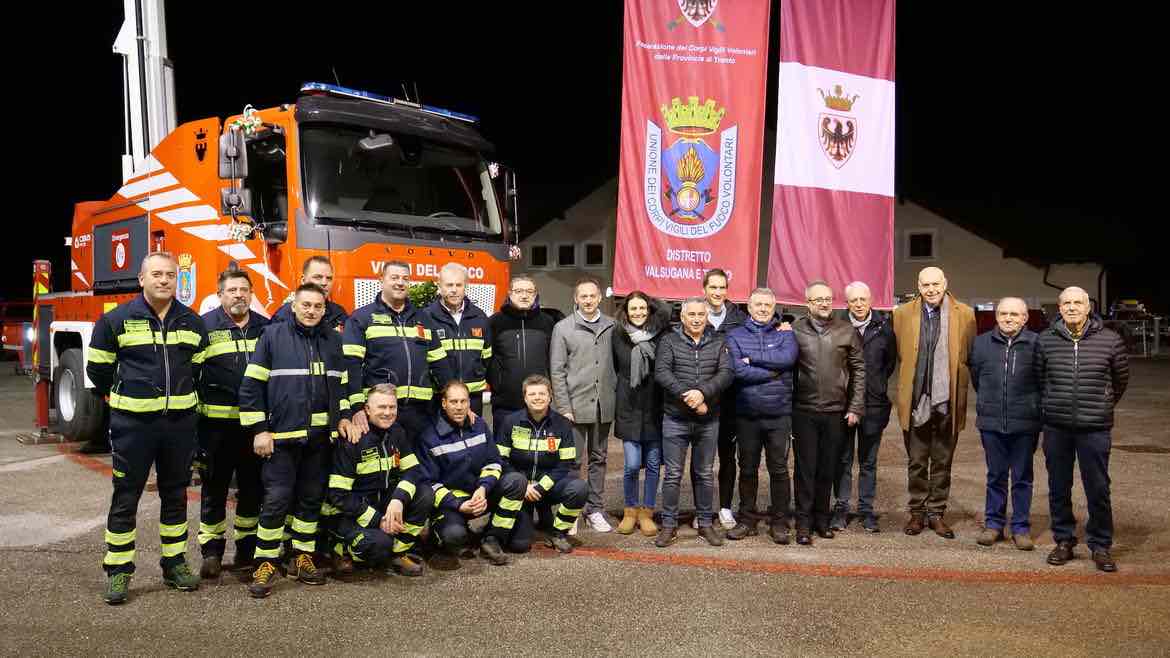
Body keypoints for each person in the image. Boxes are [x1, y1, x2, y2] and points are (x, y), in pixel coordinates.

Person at [88, 252, 209, 604]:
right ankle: (119, 571)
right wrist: (126, 396)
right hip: (134, 427)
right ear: (141, 279)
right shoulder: (117, 320)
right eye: (156, 274)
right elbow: (98, 370)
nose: (164, 281)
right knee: (126, 497)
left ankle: (174, 564)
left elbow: (198, 369)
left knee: (175, 495)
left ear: (177, 280)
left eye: (170, 275)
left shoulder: (192, 322)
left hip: (179, 427)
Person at [239, 283, 357, 598]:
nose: (311, 311)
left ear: (324, 308)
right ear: (294, 305)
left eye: (317, 306)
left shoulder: (333, 339)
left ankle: (301, 556)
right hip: (281, 439)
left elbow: (341, 386)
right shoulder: (273, 336)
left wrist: (343, 416)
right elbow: (251, 388)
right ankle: (265, 561)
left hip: (320, 440)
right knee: (276, 500)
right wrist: (259, 430)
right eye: (305, 305)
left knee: (310, 498)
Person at [1038, 286, 1129, 572]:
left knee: (1098, 487)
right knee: (1058, 486)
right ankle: (1064, 540)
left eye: (1079, 302)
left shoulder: (1110, 340)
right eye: (1067, 303)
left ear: (1089, 307)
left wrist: (1101, 404)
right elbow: (1040, 379)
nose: (1072, 307)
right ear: (1059, 307)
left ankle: (1101, 545)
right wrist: (1053, 404)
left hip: (1095, 428)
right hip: (1057, 427)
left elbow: (1120, 380)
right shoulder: (1046, 340)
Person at [893, 267, 976, 538]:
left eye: (935, 284)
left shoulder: (965, 313)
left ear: (945, 283)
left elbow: (970, 356)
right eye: (925, 284)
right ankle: (917, 513)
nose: (931, 289)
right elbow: (896, 355)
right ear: (918, 285)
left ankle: (936, 513)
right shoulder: (902, 314)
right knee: (916, 462)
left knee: (942, 461)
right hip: (916, 400)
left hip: (948, 401)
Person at [195, 269, 269, 578]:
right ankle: (211, 552)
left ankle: (245, 549)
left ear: (252, 294)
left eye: (244, 290)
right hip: (215, 428)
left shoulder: (267, 329)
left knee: (252, 490)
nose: (238, 295)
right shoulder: (204, 328)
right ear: (220, 295)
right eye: (232, 290)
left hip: (253, 429)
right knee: (214, 489)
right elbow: (191, 376)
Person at [326, 385, 433, 576]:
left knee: (424, 493)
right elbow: (338, 496)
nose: (388, 413)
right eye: (381, 407)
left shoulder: (397, 432)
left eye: (392, 407)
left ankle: (398, 553)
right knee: (379, 545)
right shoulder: (353, 439)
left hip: (384, 505)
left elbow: (414, 470)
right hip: (354, 514)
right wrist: (379, 520)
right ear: (367, 409)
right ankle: (340, 549)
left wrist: (398, 500)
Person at [418, 380, 527, 567]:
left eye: (463, 401)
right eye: (453, 402)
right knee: (454, 536)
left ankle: (493, 538)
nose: (459, 407)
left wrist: (483, 488)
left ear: (470, 403)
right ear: (444, 403)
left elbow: (493, 462)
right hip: (450, 504)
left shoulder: (480, 425)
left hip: (479, 494)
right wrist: (459, 505)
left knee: (517, 481)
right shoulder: (429, 437)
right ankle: (439, 538)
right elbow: (429, 483)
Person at [653, 297, 733, 548]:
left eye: (701, 314)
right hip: (675, 418)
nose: (697, 318)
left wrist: (703, 393)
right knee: (673, 475)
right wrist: (690, 397)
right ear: (683, 317)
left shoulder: (719, 341)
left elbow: (726, 373)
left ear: (707, 316)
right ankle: (668, 525)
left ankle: (706, 524)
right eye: (692, 315)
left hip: (708, 421)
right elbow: (662, 373)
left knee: (705, 474)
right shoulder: (669, 340)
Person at [790, 281, 865, 545]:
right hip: (804, 411)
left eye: (828, 298)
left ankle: (821, 519)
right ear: (808, 302)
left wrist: (855, 406)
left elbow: (859, 370)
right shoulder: (795, 330)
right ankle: (802, 522)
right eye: (818, 299)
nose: (824, 303)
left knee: (828, 468)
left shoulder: (846, 330)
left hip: (836, 412)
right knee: (805, 469)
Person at [343, 261, 451, 442]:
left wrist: (454, 399)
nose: (400, 283)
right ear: (381, 280)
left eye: (405, 279)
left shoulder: (423, 318)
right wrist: (357, 408)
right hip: (382, 413)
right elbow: (351, 367)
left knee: (419, 466)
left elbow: (440, 364)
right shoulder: (362, 318)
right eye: (394, 278)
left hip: (421, 414)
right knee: (386, 466)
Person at [724, 288, 798, 544]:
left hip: (778, 414)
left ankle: (779, 522)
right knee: (747, 469)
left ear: (774, 306)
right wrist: (772, 372)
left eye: (768, 304)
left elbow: (787, 359)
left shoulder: (785, 334)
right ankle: (747, 519)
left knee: (779, 470)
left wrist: (753, 358)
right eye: (758, 304)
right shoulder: (735, 335)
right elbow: (738, 372)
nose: (763, 309)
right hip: (746, 414)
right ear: (749, 306)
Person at [968, 297, 1042, 550]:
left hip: (1025, 423)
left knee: (1022, 477)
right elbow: (977, 378)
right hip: (991, 422)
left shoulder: (1036, 344)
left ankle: (1021, 527)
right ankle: (994, 525)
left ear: (1025, 318)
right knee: (995, 476)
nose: (1008, 318)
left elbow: (1042, 382)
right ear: (996, 316)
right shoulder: (980, 344)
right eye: (1003, 313)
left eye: (1014, 314)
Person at [549, 276, 617, 532]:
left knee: (599, 458)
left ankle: (595, 509)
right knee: (572, 461)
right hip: (574, 407)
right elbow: (557, 370)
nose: (588, 300)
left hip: (603, 405)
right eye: (583, 296)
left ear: (600, 298)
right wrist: (563, 406)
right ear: (576, 299)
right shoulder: (563, 328)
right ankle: (571, 512)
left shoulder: (612, 326)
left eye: (592, 296)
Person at [494, 375, 587, 553]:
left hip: (548, 487)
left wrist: (540, 487)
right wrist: (524, 486)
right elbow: (501, 460)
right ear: (525, 397)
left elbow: (565, 464)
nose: (537, 397)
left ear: (550, 396)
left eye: (542, 393)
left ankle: (558, 532)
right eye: (532, 394)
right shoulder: (510, 422)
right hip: (521, 490)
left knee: (579, 488)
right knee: (519, 545)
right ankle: (516, 525)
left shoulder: (562, 424)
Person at [831, 281, 896, 533]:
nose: (858, 304)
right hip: (843, 405)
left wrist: (876, 387)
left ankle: (866, 509)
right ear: (846, 303)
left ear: (871, 301)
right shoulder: (837, 327)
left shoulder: (884, 328)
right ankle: (841, 507)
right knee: (843, 459)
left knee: (869, 461)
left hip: (874, 405)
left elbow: (888, 364)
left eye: (863, 299)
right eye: (853, 300)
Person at [611, 291, 669, 536]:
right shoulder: (618, 334)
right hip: (629, 404)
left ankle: (647, 512)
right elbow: (615, 367)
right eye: (633, 308)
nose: (638, 313)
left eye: (643, 308)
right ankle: (630, 510)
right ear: (626, 311)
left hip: (655, 405)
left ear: (650, 309)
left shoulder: (662, 334)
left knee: (654, 464)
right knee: (632, 465)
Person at [702, 268, 749, 530]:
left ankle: (725, 507)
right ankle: (703, 509)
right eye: (713, 287)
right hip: (705, 398)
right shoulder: (695, 315)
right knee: (703, 459)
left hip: (732, 399)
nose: (718, 292)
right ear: (704, 289)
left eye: (722, 288)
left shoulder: (739, 319)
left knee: (728, 457)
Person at [487, 275, 556, 440]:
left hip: (539, 402)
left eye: (529, 291)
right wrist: (498, 383)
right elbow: (486, 359)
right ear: (509, 293)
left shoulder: (548, 323)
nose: (524, 295)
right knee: (504, 451)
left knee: (537, 450)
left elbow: (553, 359)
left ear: (535, 295)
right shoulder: (494, 323)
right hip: (505, 403)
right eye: (519, 291)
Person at [424, 263, 492, 415]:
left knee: (472, 438)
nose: (454, 290)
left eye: (459, 285)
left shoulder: (480, 317)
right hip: (439, 396)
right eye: (449, 285)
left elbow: (487, 357)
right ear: (439, 286)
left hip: (472, 397)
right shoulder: (426, 317)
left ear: (465, 286)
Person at [271, 255, 349, 332]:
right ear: (303, 280)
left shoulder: (338, 314)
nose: (324, 283)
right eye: (318, 277)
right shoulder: (284, 316)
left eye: (329, 278)